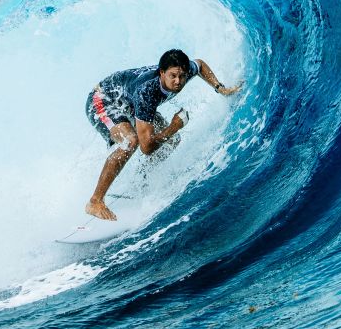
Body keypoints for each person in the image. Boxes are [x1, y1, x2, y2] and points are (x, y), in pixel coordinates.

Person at [83, 48, 241, 220]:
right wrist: (173, 126)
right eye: (172, 76)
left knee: (171, 141)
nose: (178, 81)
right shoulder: (147, 92)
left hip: (129, 99)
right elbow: (147, 147)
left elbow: (200, 64)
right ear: (162, 73)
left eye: (182, 76)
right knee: (131, 141)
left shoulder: (183, 72)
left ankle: (140, 180)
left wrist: (220, 88)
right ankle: (95, 201)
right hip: (103, 99)